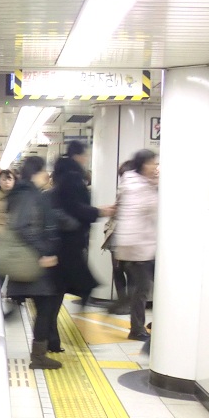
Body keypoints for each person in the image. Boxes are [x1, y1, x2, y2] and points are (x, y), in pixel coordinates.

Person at [50, 141, 115, 338]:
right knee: (80, 285)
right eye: (85, 155)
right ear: (78, 156)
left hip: (65, 240)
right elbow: (74, 207)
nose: (86, 159)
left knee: (62, 287)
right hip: (69, 240)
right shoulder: (72, 177)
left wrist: (96, 211)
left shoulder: (63, 174)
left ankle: (52, 334)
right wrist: (98, 212)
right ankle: (53, 332)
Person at [5, 156, 62, 369]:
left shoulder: (24, 192)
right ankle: (38, 357)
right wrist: (44, 251)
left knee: (45, 306)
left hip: (29, 259)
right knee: (46, 307)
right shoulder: (28, 195)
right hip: (33, 260)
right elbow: (23, 226)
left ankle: (40, 353)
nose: (47, 175)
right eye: (43, 170)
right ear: (35, 173)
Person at [113, 149, 159, 341]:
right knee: (141, 291)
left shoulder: (134, 183)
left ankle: (141, 321)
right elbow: (151, 210)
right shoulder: (139, 187)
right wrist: (155, 185)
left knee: (142, 288)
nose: (156, 167)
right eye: (153, 163)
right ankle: (137, 329)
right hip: (138, 248)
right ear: (143, 165)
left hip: (135, 247)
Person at [104, 160, 133, 314]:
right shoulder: (123, 190)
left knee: (126, 272)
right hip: (117, 236)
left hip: (128, 238)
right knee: (119, 271)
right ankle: (124, 302)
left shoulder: (132, 190)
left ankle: (128, 304)